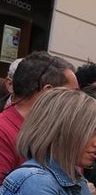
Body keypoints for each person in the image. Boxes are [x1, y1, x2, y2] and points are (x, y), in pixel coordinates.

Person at [0, 51, 78, 182]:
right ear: (48, 92)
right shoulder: (3, 131)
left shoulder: (57, 133)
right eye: (73, 94)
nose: (77, 102)